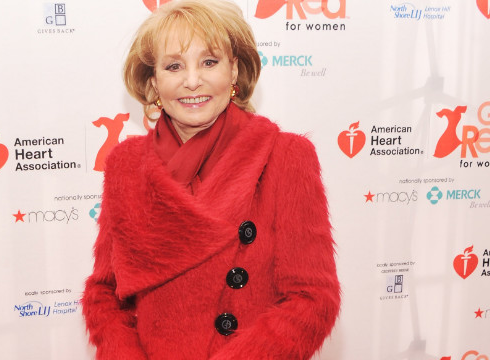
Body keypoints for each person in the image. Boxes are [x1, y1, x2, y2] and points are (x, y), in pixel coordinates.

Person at [82, 1, 340, 359]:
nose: (192, 80)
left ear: (234, 71)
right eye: (174, 65)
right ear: (153, 81)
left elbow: (312, 299)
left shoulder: (285, 156)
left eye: (209, 62)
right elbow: (105, 293)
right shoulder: (126, 166)